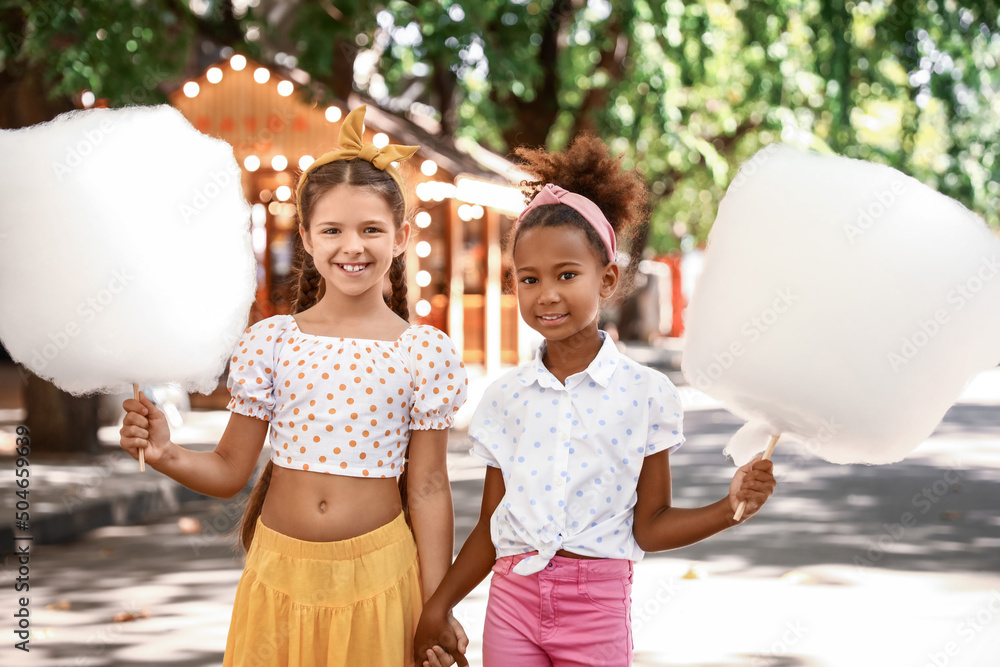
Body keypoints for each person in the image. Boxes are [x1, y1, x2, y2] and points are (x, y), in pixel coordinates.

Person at [119, 105, 470, 667]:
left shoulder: (421, 352)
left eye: (371, 229)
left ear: (402, 237)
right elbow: (231, 469)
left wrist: (436, 606)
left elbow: (428, 489)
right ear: (306, 236)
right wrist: (164, 453)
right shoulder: (273, 341)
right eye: (332, 230)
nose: (351, 246)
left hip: (382, 577)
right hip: (277, 574)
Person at [412, 135, 777, 666]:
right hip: (511, 604)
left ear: (606, 279)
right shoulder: (504, 398)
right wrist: (439, 607)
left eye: (567, 274)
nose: (548, 294)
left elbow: (649, 526)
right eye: (529, 279)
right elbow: (493, 526)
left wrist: (730, 509)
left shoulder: (647, 395)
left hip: (597, 606)